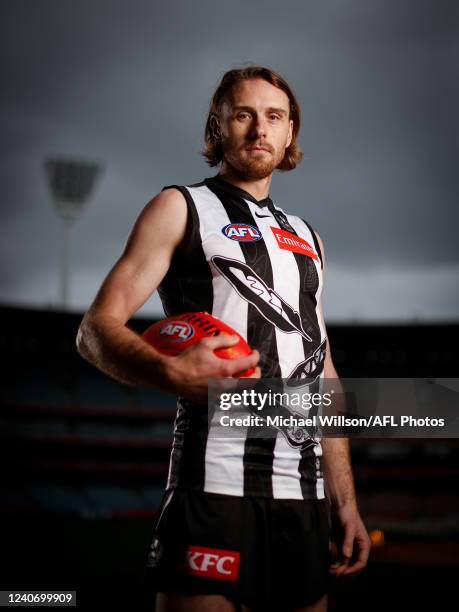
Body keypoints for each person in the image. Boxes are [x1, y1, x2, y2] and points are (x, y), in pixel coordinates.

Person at [76, 65, 371, 612]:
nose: (260, 129)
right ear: (218, 128)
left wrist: (344, 500)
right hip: (213, 482)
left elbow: (322, 372)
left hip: (303, 496)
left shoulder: (309, 237)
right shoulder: (180, 208)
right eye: (243, 115)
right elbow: (95, 329)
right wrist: (164, 370)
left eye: (274, 117)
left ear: (289, 136)